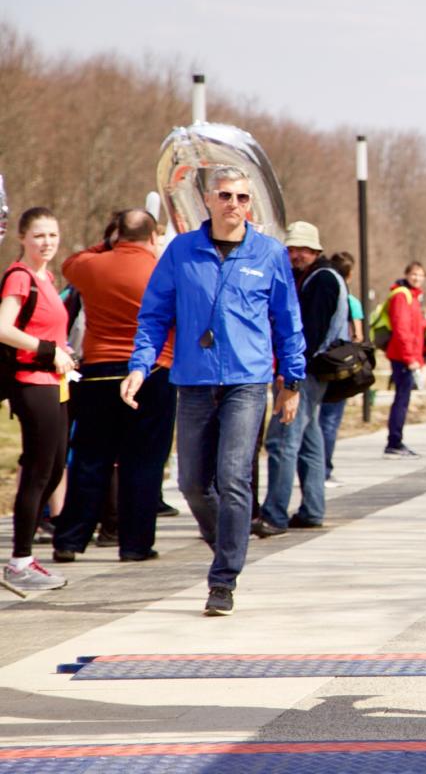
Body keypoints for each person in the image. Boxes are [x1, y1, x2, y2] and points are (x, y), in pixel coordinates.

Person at [123, 166, 305, 616]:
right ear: (207, 199)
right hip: (194, 381)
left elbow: (288, 322)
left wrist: (292, 381)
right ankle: (224, 540)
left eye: (243, 198)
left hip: (248, 381)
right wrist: (140, 366)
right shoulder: (181, 252)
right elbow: (153, 316)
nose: (234, 205)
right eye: (225, 196)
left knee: (233, 477)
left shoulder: (269, 254)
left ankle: (223, 579)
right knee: (191, 484)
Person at [53, 210, 177, 564]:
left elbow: (73, 262)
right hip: (153, 370)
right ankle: (135, 544)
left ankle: (70, 539)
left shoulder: (92, 266)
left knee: (91, 458)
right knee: (144, 461)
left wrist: (108, 244)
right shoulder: (163, 270)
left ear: (116, 235)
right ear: (153, 236)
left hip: (100, 371)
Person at [0, 208, 77, 592]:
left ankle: (25, 556)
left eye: (52, 235)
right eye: (39, 236)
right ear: (23, 238)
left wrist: (63, 353)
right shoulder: (20, 277)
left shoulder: (47, 277)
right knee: (39, 469)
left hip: (56, 381)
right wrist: (47, 350)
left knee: (56, 464)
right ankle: (19, 560)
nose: (47, 243)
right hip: (32, 382)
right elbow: (3, 328)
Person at [257, 222, 347, 534]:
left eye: (303, 250)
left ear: (316, 252)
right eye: (291, 249)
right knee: (310, 442)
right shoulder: (314, 277)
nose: (295, 255)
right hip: (309, 373)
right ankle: (312, 509)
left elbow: (309, 333)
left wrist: (288, 376)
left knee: (281, 440)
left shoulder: (321, 280)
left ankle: (274, 514)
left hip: (303, 373)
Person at [318, 250, 363, 488]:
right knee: (331, 420)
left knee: (318, 420)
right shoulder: (350, 299)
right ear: (351, 273)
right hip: (340, 362)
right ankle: (325, 469)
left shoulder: (320, 286)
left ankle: (318, 470)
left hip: (319, 361)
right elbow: (357, 333)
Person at [382, 261, 426, 459]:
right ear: (407, 275)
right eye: (413, 274)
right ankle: (394, 442)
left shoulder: (413, 297)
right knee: (401, 400)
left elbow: (415, 328)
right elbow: (401, 329)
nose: (416, 278)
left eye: (420, 275)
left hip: (407, 356)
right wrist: (410, 359)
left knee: (403, 399)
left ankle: (396, 441)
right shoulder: (402, 295)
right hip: (402, 357)